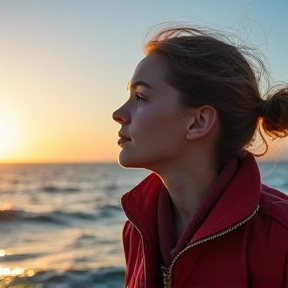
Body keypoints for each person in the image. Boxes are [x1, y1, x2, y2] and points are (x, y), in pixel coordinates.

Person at [112, 25, 288, 288]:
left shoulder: (280, 236)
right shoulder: (136, 230)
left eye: (140, 97)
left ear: (198, 122)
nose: (118, 113)